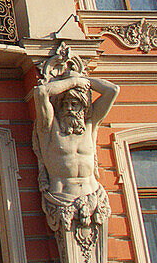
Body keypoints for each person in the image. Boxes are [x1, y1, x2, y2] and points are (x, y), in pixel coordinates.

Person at [32, 70, 118, 242]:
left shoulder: (90, 125)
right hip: (62, 200)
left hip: (93, 199)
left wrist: (83, 80)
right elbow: (41, 92)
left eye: (75, 104)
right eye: (65, 105)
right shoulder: (49, 128)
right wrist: (72, 83)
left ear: (83, 107)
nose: (70, 109)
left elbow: (113, 90)